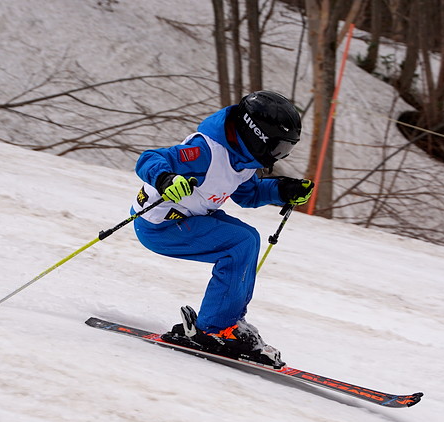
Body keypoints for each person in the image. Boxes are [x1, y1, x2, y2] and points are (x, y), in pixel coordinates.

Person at [131, 91, 313, 368]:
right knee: (239, 243)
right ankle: (215, 328)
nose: (279, 156)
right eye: (278, 148)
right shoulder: (206, 151)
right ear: (257, 136)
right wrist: (166, 178)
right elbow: (149, 158)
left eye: (286, 150)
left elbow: (247, 194)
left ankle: (227, 323)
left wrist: (282, 189)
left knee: (247, 239)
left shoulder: (242, 158)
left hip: (187, 218)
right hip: (161, 224)